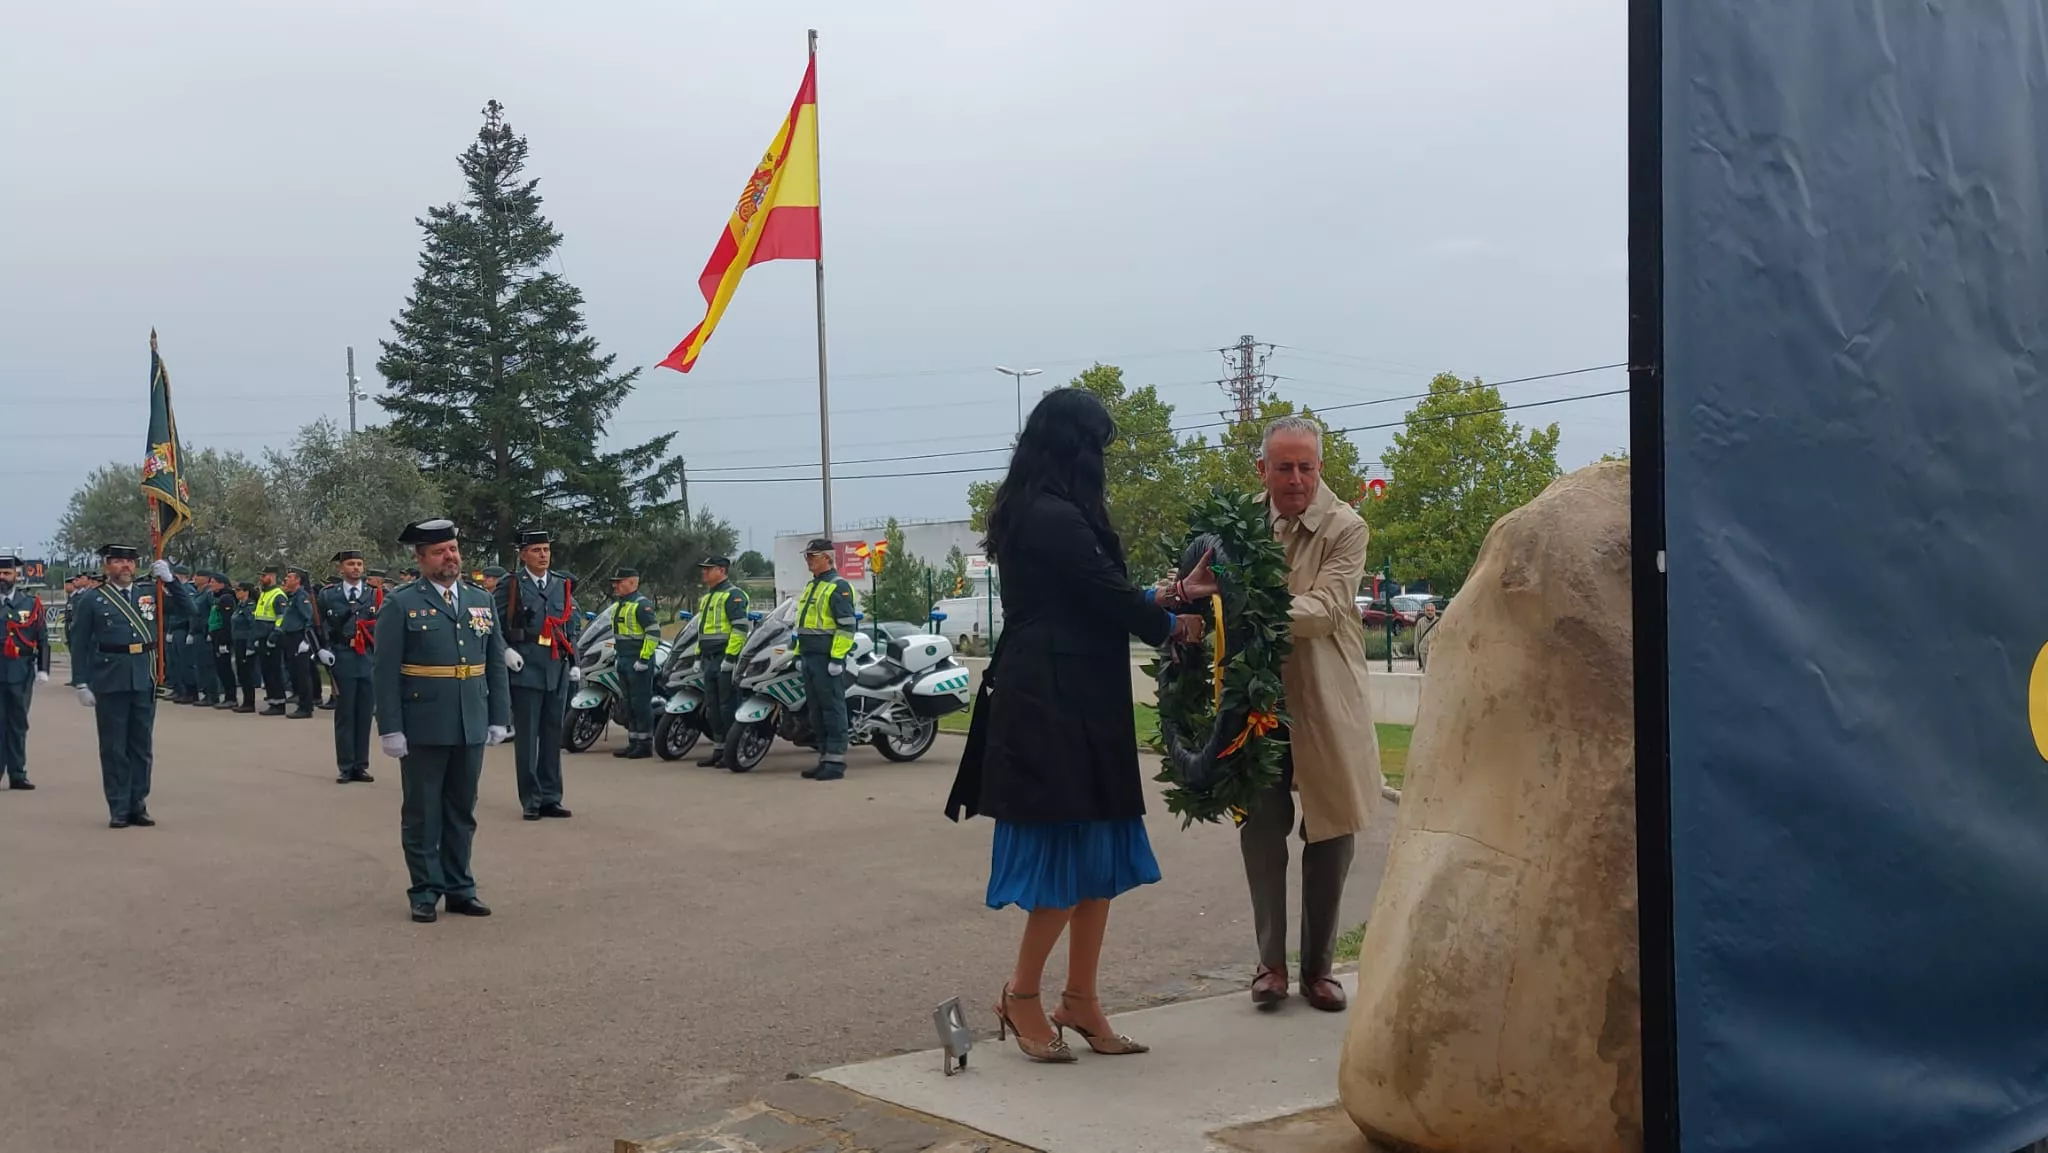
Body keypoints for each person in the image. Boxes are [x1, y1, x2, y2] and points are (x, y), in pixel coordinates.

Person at [943, 388, 1208, 1062]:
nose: (1101, 461)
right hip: (1050, 699)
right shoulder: (1048, 512)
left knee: (1099, 857)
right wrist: (1170, 619)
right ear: (1070, 446)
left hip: (1082, 693)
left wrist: (1167, 594)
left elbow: (1091, 591)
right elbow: (1100, 593)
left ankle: (1081, 997)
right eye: (1095, 446)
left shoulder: (1047, 509)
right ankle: (1022, 993)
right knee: (1068, 854)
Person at [1170, 415, 1379, 1013]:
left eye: (1306, 467)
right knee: (1261, 832)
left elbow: (1325, 610)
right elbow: (1196, 588)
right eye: (1283, 468)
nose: (1295, 480)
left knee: (1332, 833)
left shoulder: (1345, 527)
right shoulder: (1233, 529)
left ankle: (1318, 968)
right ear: (1261, 471)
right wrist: (1184, 598)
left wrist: (1238, 604)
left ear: (1320, 468)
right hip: (1253, 708)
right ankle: (1269, 965)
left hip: (1326, 705)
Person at [373, 519, 510, 923]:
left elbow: (494, 662)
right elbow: (385, 670)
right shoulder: (400, 603)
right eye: (439, 551)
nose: (450, 557)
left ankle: (460, 888)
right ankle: (425, 889)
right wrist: (390, 727)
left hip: (470, 718)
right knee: (422, 810)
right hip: (424, 722)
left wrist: (499, 716)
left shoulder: (479, 600)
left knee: (462, 810)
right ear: (420, 559)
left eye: (452, 549)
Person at [71, 544, 196, 828]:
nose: (125, 566)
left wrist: (170, 580)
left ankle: (138, 804)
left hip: (144, 675)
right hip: (109, 677)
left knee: (141, 746)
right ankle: (118, 806)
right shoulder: (93, 599)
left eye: (129, 561)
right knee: (114, 746)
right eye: (117, 561)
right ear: (107, 566)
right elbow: (78, 643)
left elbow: (190, 608)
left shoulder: (149, 593)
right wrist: (81, 681)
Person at [496, 529, 578, 819]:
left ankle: (551, 797)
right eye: (536, 550)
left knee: (552, 734)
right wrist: (505, 651)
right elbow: (495, 625)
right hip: (526, 665)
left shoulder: (561, 584)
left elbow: (570, 625)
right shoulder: (512, 585)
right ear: (523, 555)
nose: (543, 555)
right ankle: (531, 799)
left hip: (556, 666)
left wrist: (575, 660)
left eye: (546, 550)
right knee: (528, 737)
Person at [793, 539, 858, 781]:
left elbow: (846, 627)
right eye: (807, 556)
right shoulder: (813, 586)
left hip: (826, 659)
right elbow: (804, 627)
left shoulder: (838, 586)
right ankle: (824, 757)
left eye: (813, 555)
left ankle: (836, 761)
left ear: (828, 558)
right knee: (816, 712)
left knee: (832, 709)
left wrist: (837, 658)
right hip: (810, 657)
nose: (808, 560)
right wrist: (799, 653)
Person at [317, 550, 380, 784]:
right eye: (351, 564)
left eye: (359, 564)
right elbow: (319, 625)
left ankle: (360, 766)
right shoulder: (328, 595)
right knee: (345, 714)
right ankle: (345, 765)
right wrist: (322, 649)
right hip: (342, 656)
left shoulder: (375, 595)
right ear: (340, 569)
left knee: (364, 714)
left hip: (367, 659)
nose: (356, 568)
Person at [692, 554, 750, 769]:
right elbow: (702, 631)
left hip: (724, 658)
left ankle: (732, 750)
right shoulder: (708, 597)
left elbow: (740, 629)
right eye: (704, 568)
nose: (704, 572)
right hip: (708, 659)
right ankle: (719, 749)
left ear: (722, 571)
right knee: (713, 708)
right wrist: (698, 656)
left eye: (709, 569)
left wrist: (731, 658)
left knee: (727, 707)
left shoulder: (733, 595)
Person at [0, 554, 51, 791]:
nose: (2, 577)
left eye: (7, 573)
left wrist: (43, 669)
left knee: (18, 722)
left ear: (16, 576)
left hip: (21, 670)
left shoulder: (31, 603)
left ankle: (18, 773)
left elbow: (42, 638)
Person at [608, 567, 660, 760]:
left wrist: (644, 659)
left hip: (638, 660)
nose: (616, 585)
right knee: (628, 703)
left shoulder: (641, 605)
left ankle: (645, 744)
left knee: (640, 703)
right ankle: (633, 742)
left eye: (619, 582)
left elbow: (653, 633)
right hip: (623, 658)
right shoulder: (620, 605)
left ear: (632, 582)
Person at [279, 567, 317, 719]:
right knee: (295, 672)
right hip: (290, 637)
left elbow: (309, 618)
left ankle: (306, 707)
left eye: (289, 577)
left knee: (302, 673)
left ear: (298, 580)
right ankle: (302, 703)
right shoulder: (293, 596)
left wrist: (306, 640)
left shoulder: (301, 596)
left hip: (299, 637)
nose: (286, 579)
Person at [253, 567, 288, 714]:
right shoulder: (264, 593)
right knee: (266, 671)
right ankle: (272, 699)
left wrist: (274, 635)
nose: (261, 578)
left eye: (264, 576)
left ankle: (279, 703)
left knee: (274, 671)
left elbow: (282, 618)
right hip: (262, 637)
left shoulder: (278, 595)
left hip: (272, 638)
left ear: (272, 576)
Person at [230, 580, 261, 712]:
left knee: (246, 673)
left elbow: (253, 626)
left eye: (239, 590)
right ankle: (245, 701)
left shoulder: (250, 606)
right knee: (241, 673)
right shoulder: (240, 606)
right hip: (238, 641)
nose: (236, 593)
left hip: (245, 642)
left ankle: (249, 702)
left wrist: (250, 646)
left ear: (246, 592)